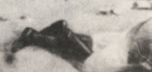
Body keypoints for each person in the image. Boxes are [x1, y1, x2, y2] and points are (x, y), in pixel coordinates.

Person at [11, 18, 152, 72]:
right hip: (125, 53)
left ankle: (64, 34)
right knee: (94, 65)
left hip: (128, 39)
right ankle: (36, 38)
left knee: (101, 42)